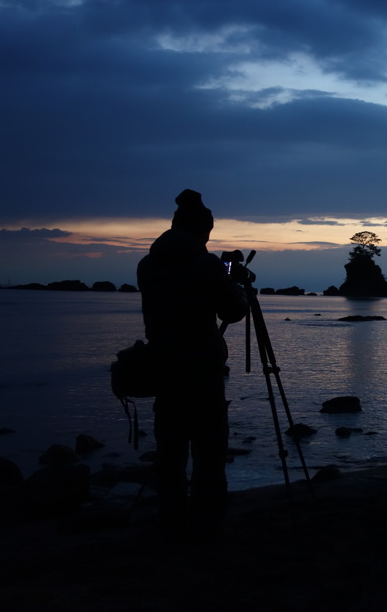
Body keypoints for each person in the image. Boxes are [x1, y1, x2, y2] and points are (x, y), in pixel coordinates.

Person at [137, 189, 248, 542]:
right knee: (209, 453)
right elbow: (233, 310)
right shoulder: (205, 264)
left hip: (164, 367)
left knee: (169, 453)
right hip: (201, 370)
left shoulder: (148, 264)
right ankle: (206, 526)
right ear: (202, 230)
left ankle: (169, 522)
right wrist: (236, 284)